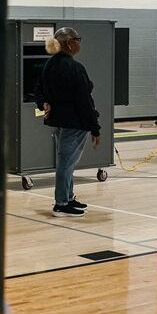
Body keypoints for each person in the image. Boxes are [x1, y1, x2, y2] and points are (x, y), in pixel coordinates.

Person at [34, 27, 101, 217]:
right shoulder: (74, 67)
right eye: (78, 40)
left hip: (59, 120)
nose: (80, 43)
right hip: (75, 122)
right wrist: (95, 127)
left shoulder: (50, 64)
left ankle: (69, 197)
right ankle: (61, 203)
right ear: (70, 43)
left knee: (67, 162)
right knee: (66, 163)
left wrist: (42, 103)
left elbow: (38, 89)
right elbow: (84, 101)